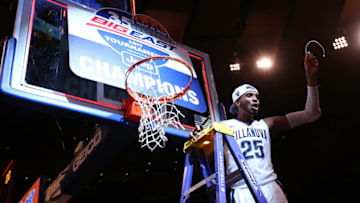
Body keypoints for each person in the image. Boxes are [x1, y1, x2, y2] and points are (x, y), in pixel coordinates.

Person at [222, 51, 322, 203]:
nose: (255, 99)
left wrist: (311, 76)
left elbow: (311, 114)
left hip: (270, 186)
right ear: (237, 102)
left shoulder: (267, 124)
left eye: (257, 96)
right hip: (242, 189)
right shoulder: (223, 126)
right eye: (249, 95)